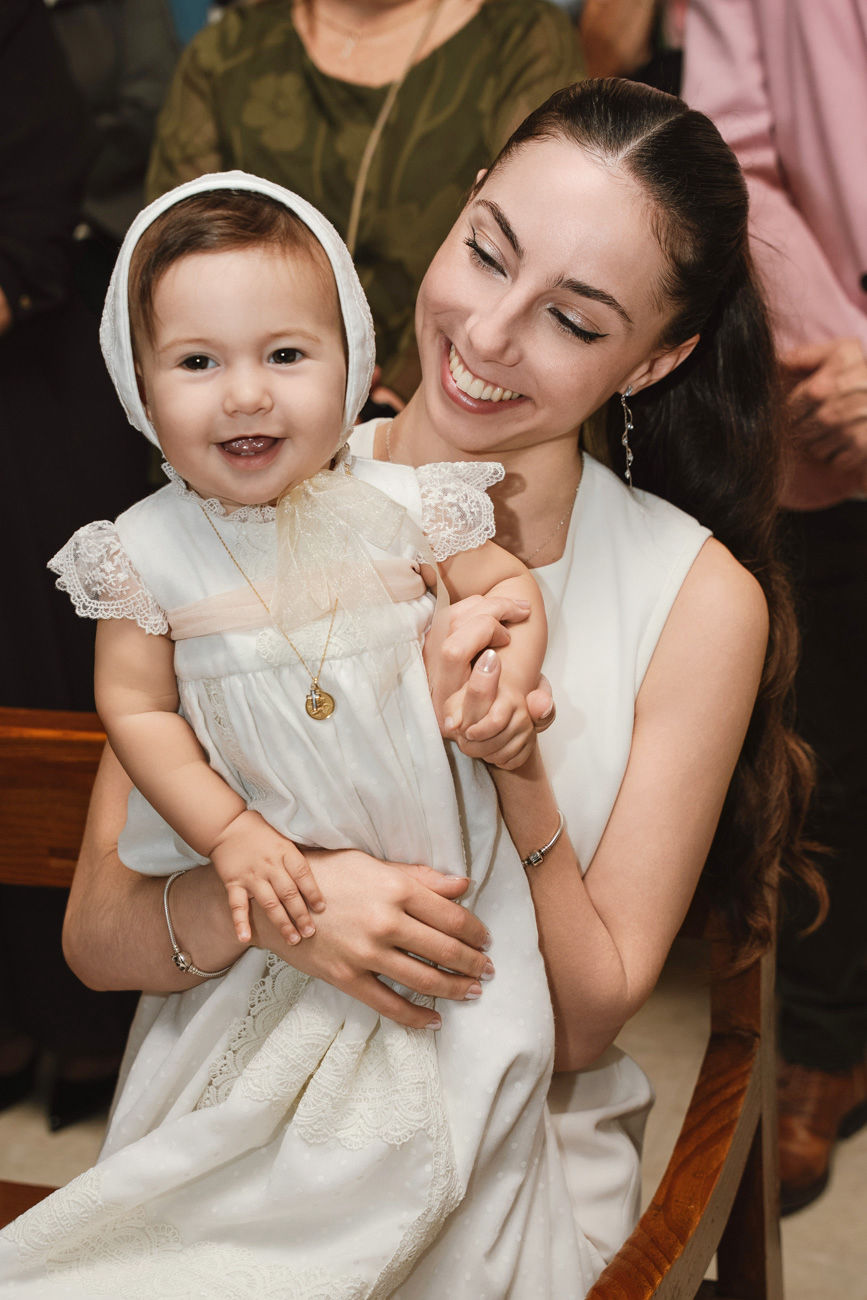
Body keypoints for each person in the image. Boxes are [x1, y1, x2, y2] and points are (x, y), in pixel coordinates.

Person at [5, 80, 815, 1292]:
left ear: (659, 357)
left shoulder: (693, 598)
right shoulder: (250, 487)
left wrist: (515, 764)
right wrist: (296, 902)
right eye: (487, 254)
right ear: (461, 207)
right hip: (223, 1125)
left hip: (504, 1139)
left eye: (574, 322)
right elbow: (98, 938)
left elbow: (589, 1024)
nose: (489, 337)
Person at [683, 0, 867, 1214]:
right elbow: (733, 156)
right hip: (826, 403)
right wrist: (848, 358)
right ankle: (826, 1043)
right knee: (831, 753)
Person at [145, 0, 580, 404]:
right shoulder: (228, 50)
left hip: (454, 390)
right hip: (251, 401)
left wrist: (405, 385)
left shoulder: (522, 38)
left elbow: (537, 236)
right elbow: (176, 259)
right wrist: (288, 380)